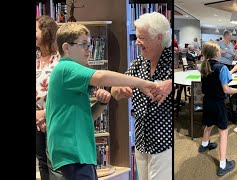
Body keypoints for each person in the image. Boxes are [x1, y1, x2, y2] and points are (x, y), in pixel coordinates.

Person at [45, 22, 157, 179]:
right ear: (66, 48)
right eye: (83, 44)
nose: (89, 49)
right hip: (73, 152)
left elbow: (87, 117)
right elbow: (101, 76)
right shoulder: (65, 68)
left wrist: (102, 103)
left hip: (79, 152)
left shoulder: (67, 72)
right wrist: (144, 83)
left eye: (89, 44)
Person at [111, 12, 172, 180]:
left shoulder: (170, 59)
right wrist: (118, 90)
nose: (137, 42)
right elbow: (116, 87)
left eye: (142, 38)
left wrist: (170, 83)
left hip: (164, 143)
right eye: (137, 37)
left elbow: (192, 78)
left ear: (159, 38)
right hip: (142, 141)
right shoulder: (139, 62)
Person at [199, 41, 237, 176]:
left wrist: (232, 70)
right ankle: (223, 164)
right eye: (219, 50)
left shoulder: (204, 66)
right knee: (223, 132)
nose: (221, 52)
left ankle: (204, 145)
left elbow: (220, 79)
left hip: (207, 101)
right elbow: (225, 88)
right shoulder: (221, 67)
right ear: (216, 53)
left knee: (209, 124)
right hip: (218, 104)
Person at [36, 15, 65, 180]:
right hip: (37, 121)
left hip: (54, 118)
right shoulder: (37, 59)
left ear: (46, 32)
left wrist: (45, 113)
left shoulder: (61, 59)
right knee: (42, 162)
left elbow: (64, 93)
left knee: (56, 164)